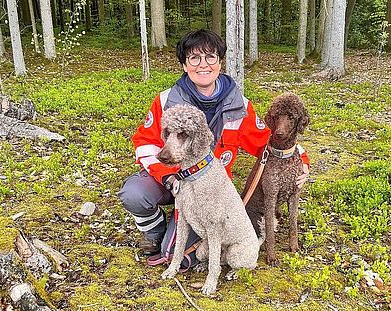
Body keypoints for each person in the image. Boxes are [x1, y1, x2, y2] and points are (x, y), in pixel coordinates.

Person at [118, 29, 310, 258]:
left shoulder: (240, 107)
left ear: (220, 62)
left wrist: (302, 160)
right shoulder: (165, 101)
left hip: (209, 193)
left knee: (177, 256)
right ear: (184, 65)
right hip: (170, 180)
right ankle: (155, 230)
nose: (203, 65)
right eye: (194, 58)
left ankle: (173, 236)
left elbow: (269, 143)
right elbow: (145, 143)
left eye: (211, 57)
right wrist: (166, 177)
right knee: (134, 193)